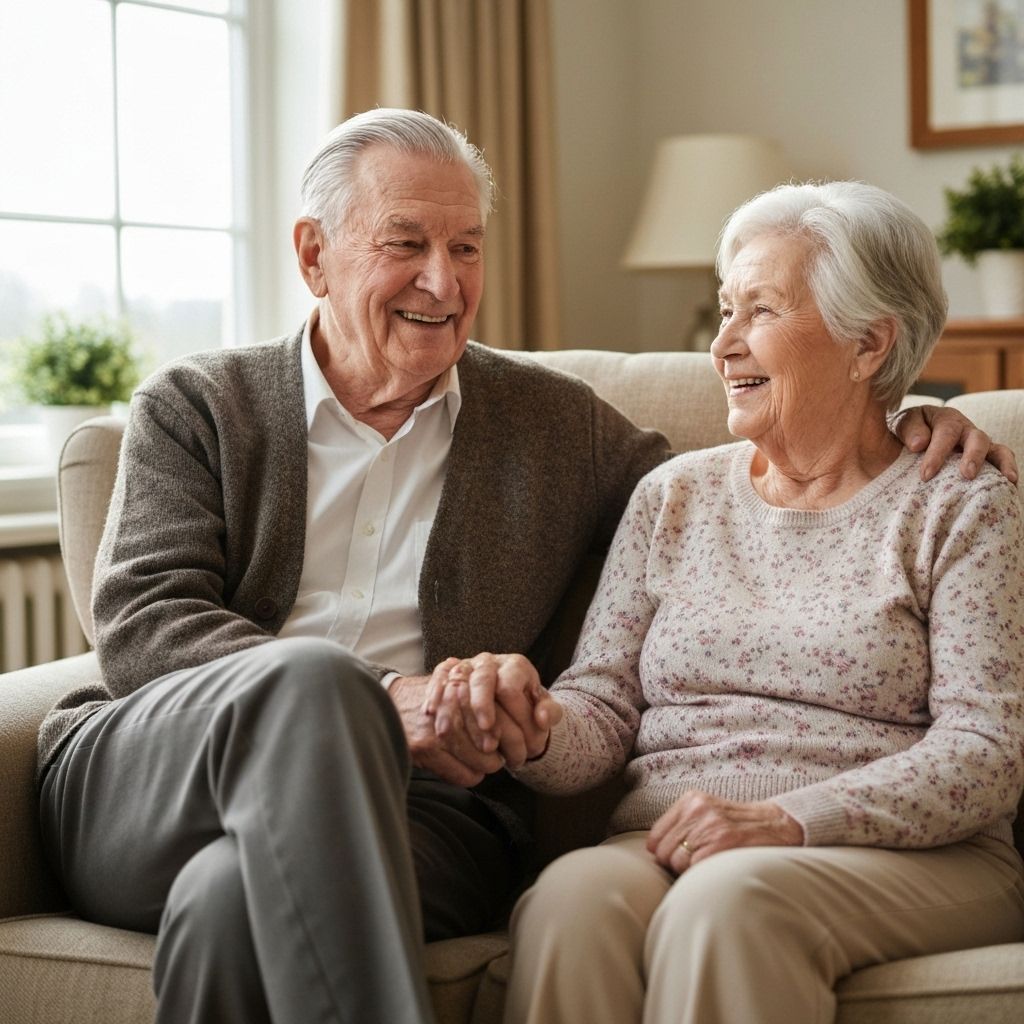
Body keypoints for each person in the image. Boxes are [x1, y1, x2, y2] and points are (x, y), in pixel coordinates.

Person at [34, 105, 1010, 1024]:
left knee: (225, 900)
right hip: (159, 779)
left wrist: (909, 417)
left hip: (412, 811)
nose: (443, 281)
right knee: (318, 686)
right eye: (406, 243)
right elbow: (143, 628)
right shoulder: (198, 405)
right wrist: (381, 703)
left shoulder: (564, 433)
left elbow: (774, 487)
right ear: (313, 254)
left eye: (465, 247)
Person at [429, 181, 1024, 1024]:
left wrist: (787, 819)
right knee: (569, 902)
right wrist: (530, 725)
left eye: (761, 311)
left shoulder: (959, 503)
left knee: (730, 903)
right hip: (668, 833)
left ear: (868, 343)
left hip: (909, 850)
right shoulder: (674, 496)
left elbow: (987, 753)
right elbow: (602, 706)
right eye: (724, 311)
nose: (722, 345)